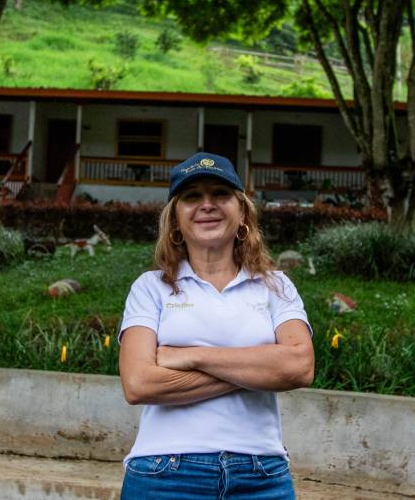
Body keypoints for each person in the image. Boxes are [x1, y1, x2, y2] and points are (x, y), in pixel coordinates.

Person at [117, 152, 315, 499]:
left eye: (220, 195)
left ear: (242, 214)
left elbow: (300, 366)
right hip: (164, 472)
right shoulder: (150, 287)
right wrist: (259, 368)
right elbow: (138, 383)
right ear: (176, 220)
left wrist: (191, 355)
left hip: (261, 474)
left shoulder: (275, 285)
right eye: (192, 196)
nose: (207, 204)